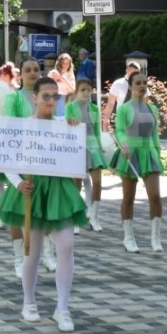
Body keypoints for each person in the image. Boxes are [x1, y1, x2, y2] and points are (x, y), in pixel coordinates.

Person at [0, 76, 88, 332]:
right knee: (33, 250)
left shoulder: (64, 125)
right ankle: (28, 302)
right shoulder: (23, 126)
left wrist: (73, 131)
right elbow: (7, 158)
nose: (51, 100)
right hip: (33, 189)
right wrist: (17, 183)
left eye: (55, 96)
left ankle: (62, 308)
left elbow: (75, 157)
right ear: (34, 98)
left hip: (59, 190)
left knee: (67, 246)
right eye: (46, 96)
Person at [0, 58, 57, 275]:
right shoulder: (13, 98)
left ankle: (48, 254)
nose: (32, 73)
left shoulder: (47, 95)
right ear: (19, 74)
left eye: (36, 69)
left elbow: (55, 119)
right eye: (28, 70)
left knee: (46, 205)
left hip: (44, 157)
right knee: (16, 209)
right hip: (19, 156)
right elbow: (9, 125)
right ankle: (19, 258)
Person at [110, 70, 164, 252]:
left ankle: (156, 237)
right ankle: (128, 236)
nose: (142, 86)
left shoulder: (152, 109)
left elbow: (155, 135)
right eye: (138, 83)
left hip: (148, 152)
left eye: (144, 83)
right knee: (128, 197)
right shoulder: (124, 108)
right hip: (130, 152)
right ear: (131, 86)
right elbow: (118, 130)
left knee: (155, 196)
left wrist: (158, 153)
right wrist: (123, 144)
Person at [64, 78, 107, 231]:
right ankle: (76, 218)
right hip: (77, 145)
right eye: (83, 90)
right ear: (76, 91)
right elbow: (66, 127)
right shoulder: (70, 107)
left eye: (89, 90)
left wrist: (100, 147)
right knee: (77, 184)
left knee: (98, 182)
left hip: (93, 146)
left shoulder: (94, 109)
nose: (86, 93)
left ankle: (94, 215)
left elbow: (96, 131)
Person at [102, 61, 140, 131]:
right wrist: (106, 119)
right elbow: (110, 103)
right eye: (131, 72)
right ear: (127, 71)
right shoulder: (118, 84)